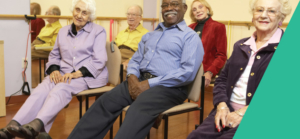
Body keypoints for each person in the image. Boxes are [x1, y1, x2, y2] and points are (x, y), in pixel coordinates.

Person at [67, 0, 204, 138]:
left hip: (169, 87)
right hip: (138, 81)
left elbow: (187, 73)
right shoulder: (149, 35)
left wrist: (149, 84)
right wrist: (132, 77)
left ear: (184, 8)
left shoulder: (190, 37)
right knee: (104, 102)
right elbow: (135, 60)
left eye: (174, 4)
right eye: (165, 5)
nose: (169, 8)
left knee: (137, 110)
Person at [0, 0, 108, 139]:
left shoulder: (98, 31)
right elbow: (55, 55)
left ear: (90, 16)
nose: (79, 15)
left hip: (86, 75)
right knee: (41, 89)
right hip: (64, 73)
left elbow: (99, 60)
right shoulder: (63, 32)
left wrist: (76, 74)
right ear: (72, 10)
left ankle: (36, 127)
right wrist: (54, 70)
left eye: (84, 12)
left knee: (60, 89)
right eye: (77, 10)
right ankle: (13, 126)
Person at [187, 0, 292, 138]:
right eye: (259, 10)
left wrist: (242, 113)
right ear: (253, 15)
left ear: (281, 18)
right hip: (225, 111)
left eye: (271, 11)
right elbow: (222, 80)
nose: (263, 15)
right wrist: (221, 105)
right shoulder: (241, 45)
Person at [188, 0, 227, 87]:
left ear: (207, 9)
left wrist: (210, 72)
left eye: (200, 7)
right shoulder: (189, 28)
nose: (197, 10)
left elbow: (221, 55)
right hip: (188, 68)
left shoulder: (218, 27)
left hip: (205, 70)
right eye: (194, 9)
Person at [114, 5, 148, 79]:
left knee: (123, 68)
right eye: (128, 14)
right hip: (117, 56)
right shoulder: (121, 33)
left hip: (133, 57)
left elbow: (145, 53)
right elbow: (114, 48)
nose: (130, 17)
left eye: (133, 14)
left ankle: (120, 90)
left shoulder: (146, 34)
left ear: (140, 18)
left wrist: (130, 60)